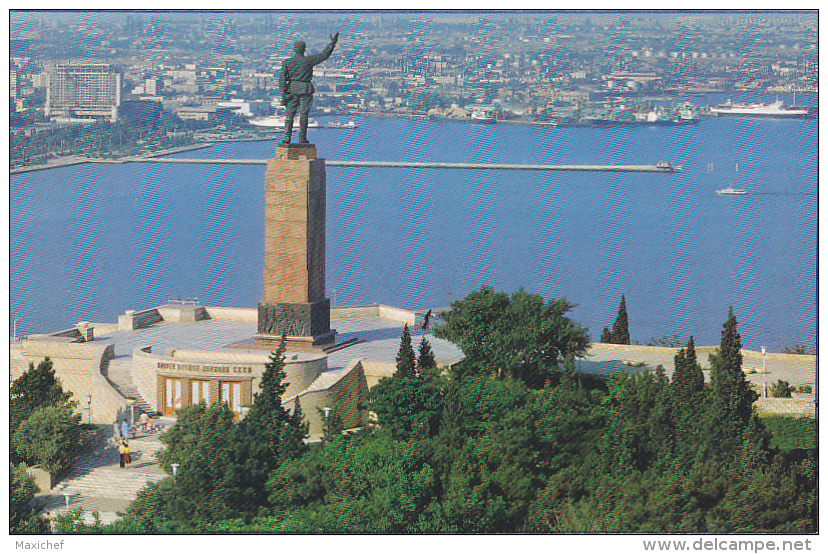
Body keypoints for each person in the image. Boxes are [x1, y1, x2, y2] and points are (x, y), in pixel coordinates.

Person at [279, 32, 339, 145]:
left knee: (289, 115)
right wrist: (332, 44)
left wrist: (283, 94)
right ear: (304, 49)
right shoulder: (308, 60)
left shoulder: (287, 62)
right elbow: (324, 55)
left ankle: (287, 138)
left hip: (291, 89)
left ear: (294, 49)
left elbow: (282, 79)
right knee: (304, 115)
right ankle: (302, 138)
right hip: (305, 89)